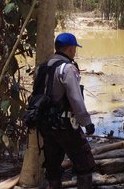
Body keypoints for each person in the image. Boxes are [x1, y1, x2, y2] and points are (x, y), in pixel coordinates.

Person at [38, 33, 96, 188]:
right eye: (75, 49)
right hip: (65, 124)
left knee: (53, 166)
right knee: (85, 164)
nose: (75, 52)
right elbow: (75, 98)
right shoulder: (67, 68)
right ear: (70, 49)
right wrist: (87, 122)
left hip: (46, 124)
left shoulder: (43, 67)